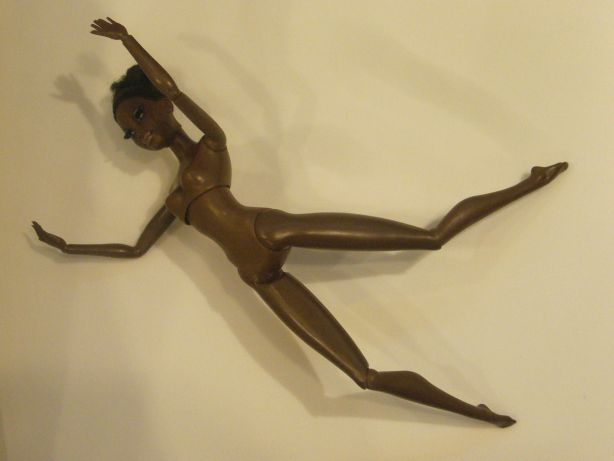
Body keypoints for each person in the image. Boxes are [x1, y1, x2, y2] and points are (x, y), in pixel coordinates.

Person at [32, 17, 569, 428]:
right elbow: (135, 249)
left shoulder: (210, 148)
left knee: (431, 238)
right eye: (130, 132)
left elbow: (173, 90)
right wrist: (68, 247)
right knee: (362, 375)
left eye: (139, 115)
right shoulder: (174, 200)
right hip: (262, 279)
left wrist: (129, 40)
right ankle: (475, 412)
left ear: (159, 106)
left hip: (272, 231)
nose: (141, 133)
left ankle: (529, 183)